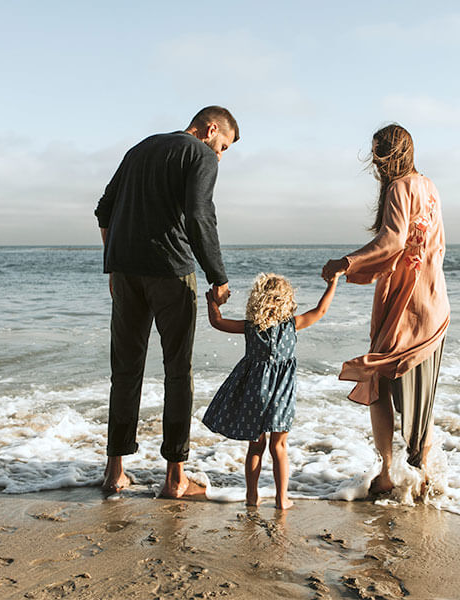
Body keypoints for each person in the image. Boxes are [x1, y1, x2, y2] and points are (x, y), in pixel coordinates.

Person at [94, 106, 239, 496]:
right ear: (210, 130)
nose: (220, 155)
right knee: (178, 372)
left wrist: (114, 265)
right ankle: (175, 477)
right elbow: (198, 215)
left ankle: (115, 472)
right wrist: (217, 276)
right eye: (223, 145)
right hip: (171, 272)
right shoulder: (200, 154)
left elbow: (103, 209)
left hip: (125, 272)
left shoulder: (140, 149)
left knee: (124, 372)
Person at [322, 124, 450, 496]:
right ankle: (422, 471)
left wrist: (346, 263)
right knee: (419, 391)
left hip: (403, 303)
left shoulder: (399, 187)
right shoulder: (429, 186)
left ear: (384, 156)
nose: (376, 168)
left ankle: (387, 472)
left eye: (377, 157)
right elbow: (435, 246)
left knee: (377, 380)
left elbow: (392, 240)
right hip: (434, 300)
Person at [201, 272, 340, 509]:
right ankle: (281, 499)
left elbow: (217, 322)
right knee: (279, 446)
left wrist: (211, 301)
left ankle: (251, 497)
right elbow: (321, 311)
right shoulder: (292, 324)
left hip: (253, 392)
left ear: (257, 300)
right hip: (281, 394)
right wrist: (333, 283)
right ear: (285, 300)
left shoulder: (250, 327)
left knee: (255, 446)